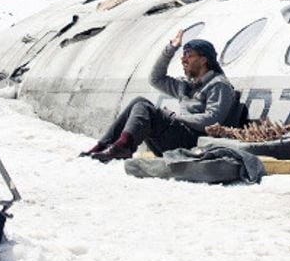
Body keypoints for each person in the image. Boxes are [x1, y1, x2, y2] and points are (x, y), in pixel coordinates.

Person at [80, 29, 237, 162]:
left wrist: (175, 117)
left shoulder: (218, 84)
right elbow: (155, 79)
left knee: (145, 108)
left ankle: (123, 147)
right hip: (176, 139)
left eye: (189, 55)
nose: (183, 59)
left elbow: (213, 119)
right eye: (183, 55)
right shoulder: (186, 85)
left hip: (193, 143)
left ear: (203, 59)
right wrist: (171, 48)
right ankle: (104, 145)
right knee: (139, 101)